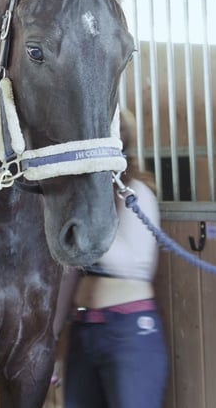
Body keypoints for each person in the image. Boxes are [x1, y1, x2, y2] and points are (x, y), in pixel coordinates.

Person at [54, 110, 168, 408]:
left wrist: (87, 229)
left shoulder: (137, 193)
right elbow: (71, 273)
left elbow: (136, 262)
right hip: (83, 330)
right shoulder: (89, 200)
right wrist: (53, 337)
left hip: (128, 330)